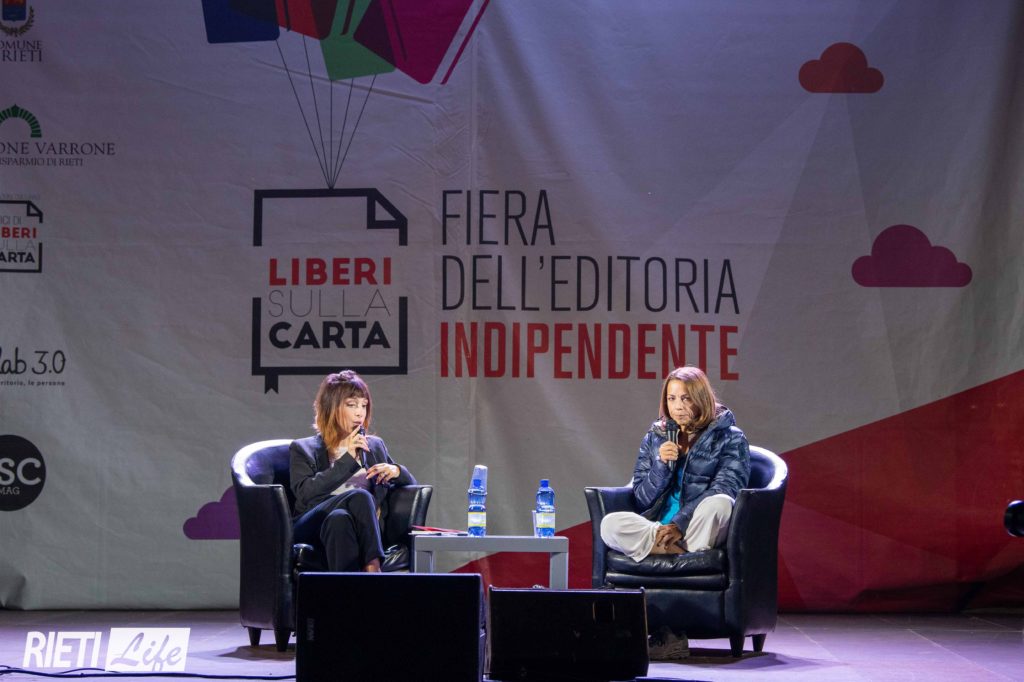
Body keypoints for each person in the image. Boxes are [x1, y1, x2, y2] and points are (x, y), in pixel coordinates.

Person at [601, 366, 750, 561]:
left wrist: (679, 524)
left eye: (686, 398)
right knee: (609, 524)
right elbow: (641, 499)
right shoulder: (655, 437)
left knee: (720, 503)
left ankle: (672, 550)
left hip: (697, 528)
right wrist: (660, 465)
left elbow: (726, 487)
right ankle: (687, 557)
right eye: (671, 399)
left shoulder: (731, 437)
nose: (678, 406)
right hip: (658, 528)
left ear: (701, 399)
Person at [290, 370, 416, 572]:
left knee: (339, 519)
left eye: (363, 405)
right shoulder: (303, 448)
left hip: (354, 528)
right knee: (359, 496)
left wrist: (397, 471)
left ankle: (347, 591)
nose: (360, 413)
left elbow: (410, 485)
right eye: (351, 405)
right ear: (331, 408)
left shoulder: (374, 446)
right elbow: (305, 494)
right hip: (313, 524)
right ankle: (373, 568)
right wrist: (347, 460)